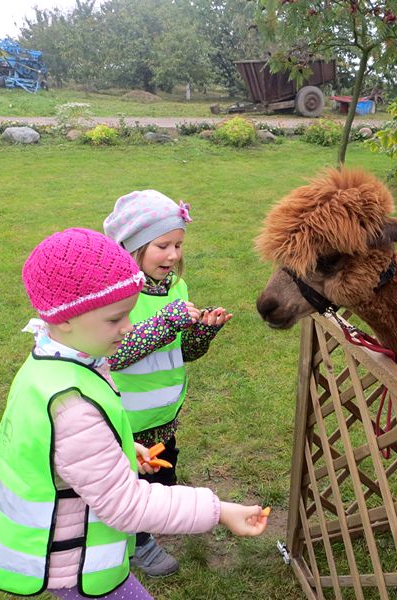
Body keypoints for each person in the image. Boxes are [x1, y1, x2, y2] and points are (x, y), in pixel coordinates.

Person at [0, 228, 267, 599]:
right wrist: (219, 511)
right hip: (76, 564)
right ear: (66, 318)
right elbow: (126, 505)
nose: (129, 328)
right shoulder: (72, 404)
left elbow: (65, 451)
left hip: (67, 550)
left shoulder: (50, 362)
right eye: (115, 319)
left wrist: (121, 448)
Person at [103, 190, 232, 576]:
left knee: (163, 472)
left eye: (178, 244)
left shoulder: (175, 288)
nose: (174, 255)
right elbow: (116, 355)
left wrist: (202, 332)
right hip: (126, 420)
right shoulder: (118, 295)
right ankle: (138, 543)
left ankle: (160, 512)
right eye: (163, 245)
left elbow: (182, 350)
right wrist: (167, 321)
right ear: (131, 245)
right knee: (127, 489)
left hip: (164, 412)